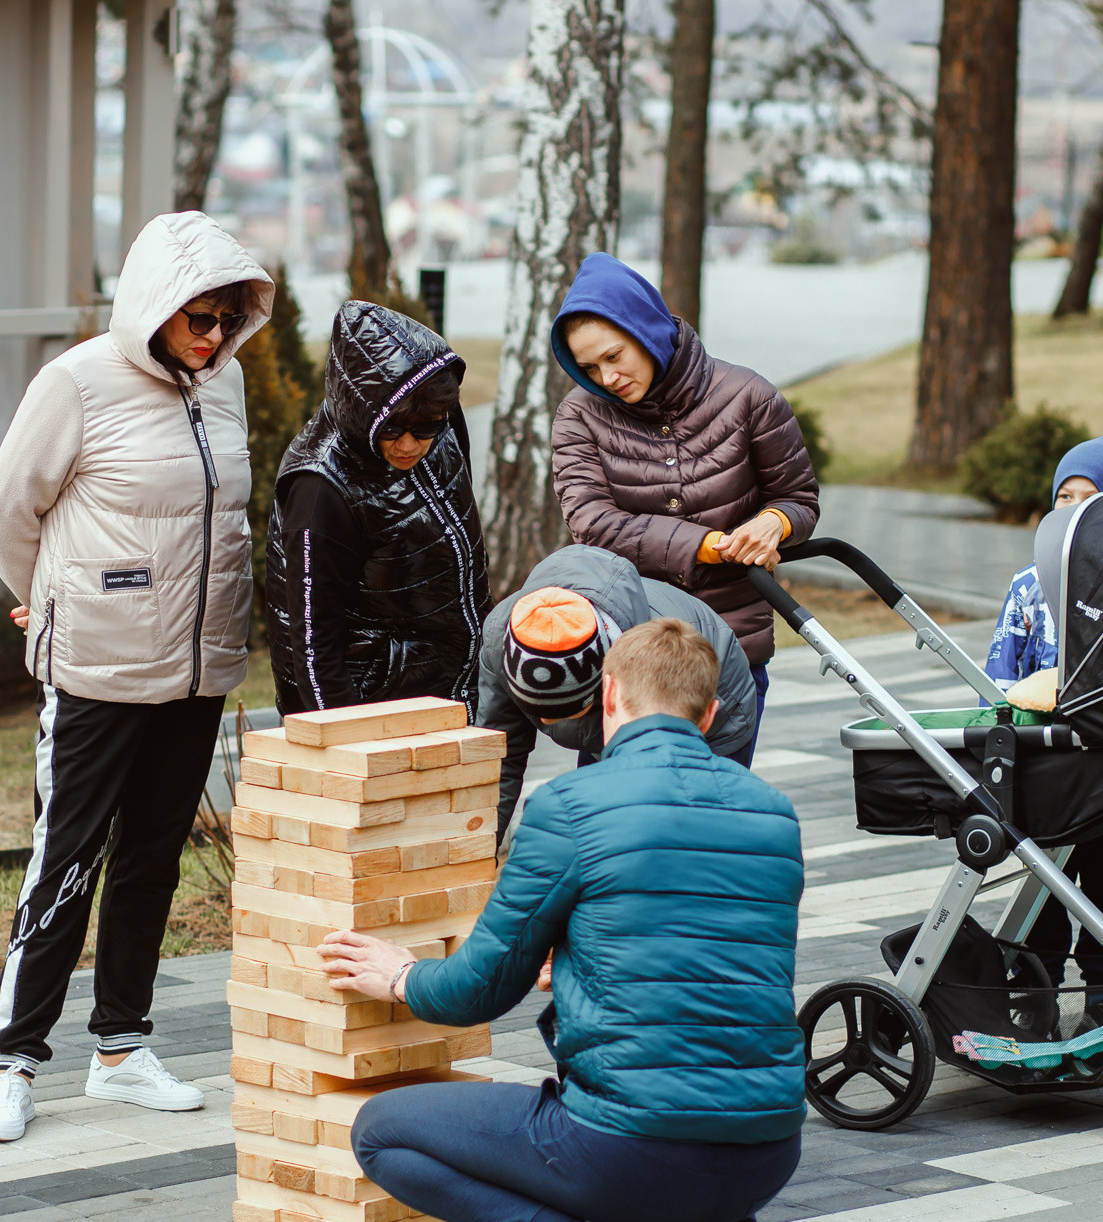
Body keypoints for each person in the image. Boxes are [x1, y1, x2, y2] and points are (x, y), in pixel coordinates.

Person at [321, 618, 806, 1222]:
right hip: (769, 1154)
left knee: (381, 1133)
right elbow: (709, 965)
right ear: (709, 716)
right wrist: (578, 950)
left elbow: (477, 993)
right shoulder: (774, 813)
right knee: (706, 1050)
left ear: (607, 696)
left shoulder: (570, 808)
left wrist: (402, 977)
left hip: (629, 1158)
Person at [0, 211, 272, 1141]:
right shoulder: (76, 383)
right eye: (198, 319)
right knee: (65, 861)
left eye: (228, 319)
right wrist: (52, 596)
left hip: (195, 671)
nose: (214, 337)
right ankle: (15, 1063)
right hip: (98, 666)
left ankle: (120, 1047)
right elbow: (5, 512)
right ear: (155, 307)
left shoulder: (224, 390)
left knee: (151, 861)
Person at [549, 253, 819, 767]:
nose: (606, 377)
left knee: (713, 810)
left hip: (730, 649)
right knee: (618, 812)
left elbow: (799, 498)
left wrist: (773, 523)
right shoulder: (579, 417)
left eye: (614, 356)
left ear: (647, 331)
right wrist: (707, 545)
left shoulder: (748, 396)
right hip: (630, 653)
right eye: (588, 368)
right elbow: (592, 523)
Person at [986, 435, 1103, 1033]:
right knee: (1045, 888)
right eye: (1064, 497)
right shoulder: (1028, 588)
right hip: (1041, 768)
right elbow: (999, 681)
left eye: (1091, 500)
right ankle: (1036, 991)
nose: (1073, 509)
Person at [265, 301, 490, 717]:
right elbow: (314, 646)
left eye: (425, 427)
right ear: (361, 410)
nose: (409, 445)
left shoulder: (442, 423)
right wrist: (347, 739)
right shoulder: (320, 487)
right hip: (374, 707)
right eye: (391, 429)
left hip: (450, 690)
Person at [478, 543, 756, 838]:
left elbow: (654, 792)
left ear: (607, 689)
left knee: (686, 835)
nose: (548, 724)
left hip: (714, 714)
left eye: (572, 711)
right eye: (537, 712)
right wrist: (478, 850)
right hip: (620, 714)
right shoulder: (502, 639)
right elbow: (499, 758)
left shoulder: (654, 660)